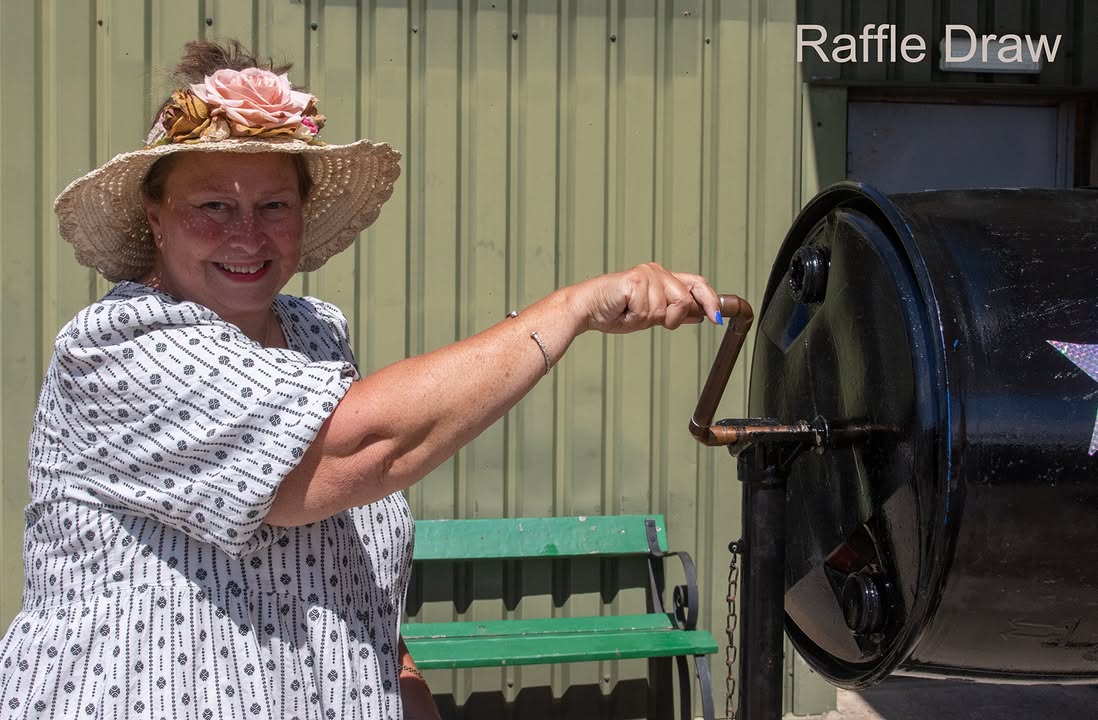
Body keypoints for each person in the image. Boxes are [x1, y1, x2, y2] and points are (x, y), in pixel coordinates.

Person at [0, 40, 723, 719]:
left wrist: (405, 683)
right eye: (212, 206)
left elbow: (336, 558)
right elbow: (345, 454)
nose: (246, 234)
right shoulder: (117, 348)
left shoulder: (315, 335)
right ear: (155, 218)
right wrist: (568, 310)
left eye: (273, 205)